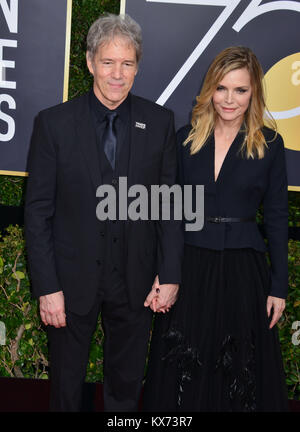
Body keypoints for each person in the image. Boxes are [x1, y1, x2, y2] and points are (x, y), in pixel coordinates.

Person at [25, 13, 183, 412]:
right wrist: (47, 287)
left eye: (127, 63)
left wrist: (170, 273)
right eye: (108, 62)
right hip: (69, 282)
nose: (117, 74)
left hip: (135, 282)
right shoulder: (53, 124)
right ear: (90, 61)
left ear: (137, 67)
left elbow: (170, 206)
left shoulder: (160, 123)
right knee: (65, 388)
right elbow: (38, 213)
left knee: (126, 390)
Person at [143, 46, 289, 412]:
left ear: (254, 91)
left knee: (239, 371)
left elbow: (276, 216)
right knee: (182, 368)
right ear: (210, 88)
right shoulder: (184, 139)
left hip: (243, 270)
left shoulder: (270, 144)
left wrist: (279, 284)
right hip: (190, 267)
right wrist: (165, 272)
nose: (229, 99)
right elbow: (169, 212)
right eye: (222, 88)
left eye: (240, 90)